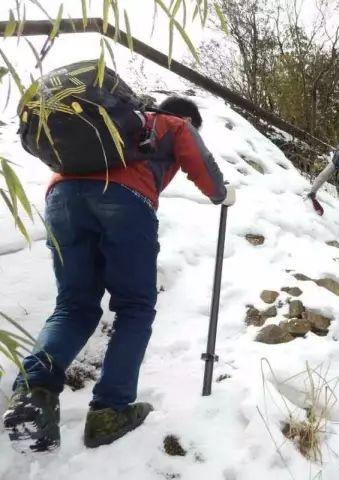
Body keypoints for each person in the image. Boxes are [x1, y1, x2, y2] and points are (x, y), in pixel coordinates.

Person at [3, 96, 235, 452]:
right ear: (187, 117)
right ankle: (110, 409)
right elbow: (200, 163)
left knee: (74, 306)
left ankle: (34, 393)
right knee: (135, 307)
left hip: (61, 198)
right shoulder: (172, 123)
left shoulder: (117, 124)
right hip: (124, 198)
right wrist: (221, 194)